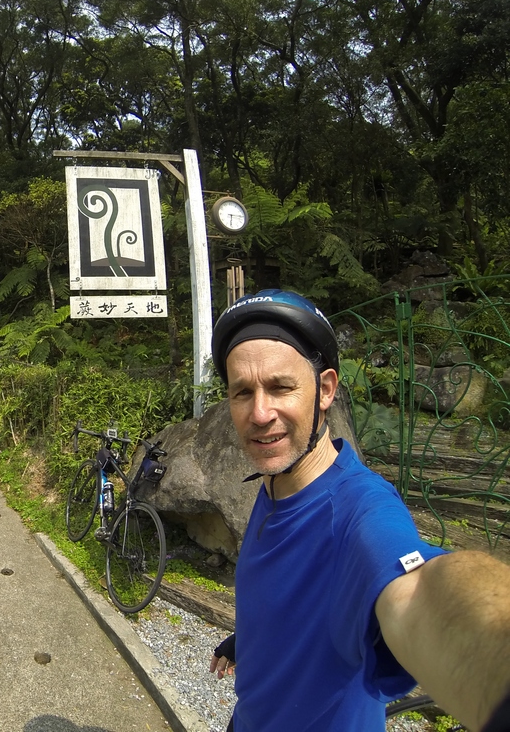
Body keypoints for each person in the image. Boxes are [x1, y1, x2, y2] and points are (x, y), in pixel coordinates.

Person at [207, 289, 510, 732]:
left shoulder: (360, 510)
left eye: (281, 387)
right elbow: (291, 606)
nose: (259, 412)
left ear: (325, 389)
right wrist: (246, 643)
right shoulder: (276, 482)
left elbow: (416, 592)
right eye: (242, 392)